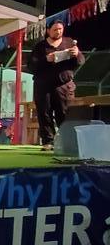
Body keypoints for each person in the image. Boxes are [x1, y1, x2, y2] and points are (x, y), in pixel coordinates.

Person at [29, 20, 85, 150]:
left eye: (60, 29)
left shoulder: (69, 42)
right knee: (44, 113)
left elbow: (80, 61)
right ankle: (48, 141)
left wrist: (76, 55)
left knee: (64, 113)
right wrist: (46, 60)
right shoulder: (40, 46)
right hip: (43, 86)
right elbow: (32, 66)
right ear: (48, 30)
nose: (58, 31)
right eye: (55, 29)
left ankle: (67, 141)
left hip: (63, 85)